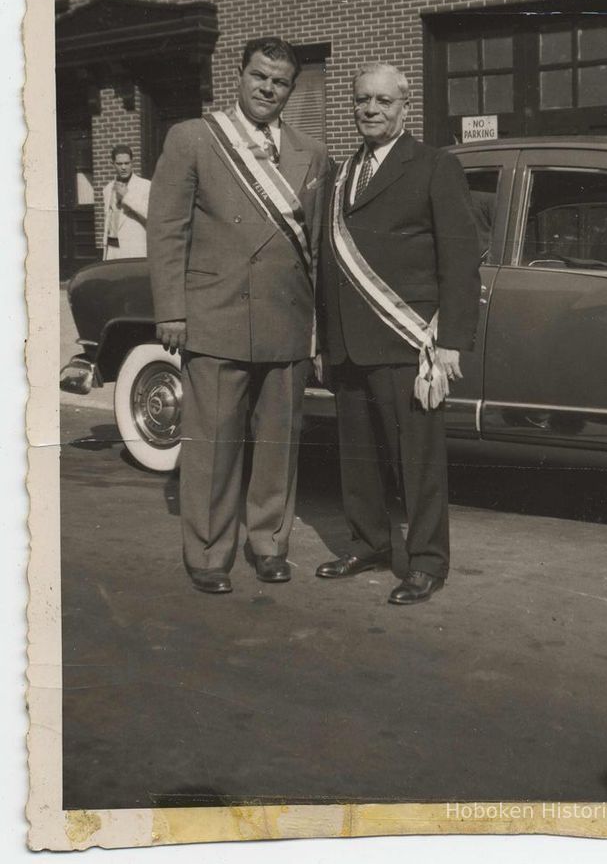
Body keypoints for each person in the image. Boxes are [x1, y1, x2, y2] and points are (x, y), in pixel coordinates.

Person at [147, 37, 329, 595]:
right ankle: (207, 551)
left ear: (290, 92)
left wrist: (316, 329)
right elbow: (167, 229)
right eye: (259, 76)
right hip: (216, 315)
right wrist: (172, 311)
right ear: (240, 75)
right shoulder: (193, 138)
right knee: (214, 444)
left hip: (286, 320)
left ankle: (268, 542)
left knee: (278, 444)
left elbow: (315, 248)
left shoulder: (311, 153)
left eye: (279, 82)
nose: (267, 89)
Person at [315, 63, 481, 605]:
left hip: (407, 342)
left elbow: (460, 258)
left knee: (419, 461)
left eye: (383, 101)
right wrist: (323, 339)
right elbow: (326, 262)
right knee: (357, 456)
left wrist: (452, 338)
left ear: (405, 108)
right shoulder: (341, 174)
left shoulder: (434, 165)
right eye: (362, 99)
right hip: (347, 341)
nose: (371, 109)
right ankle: (368, 543)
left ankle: (428, 561)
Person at [102, 145, 151, 260]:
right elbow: (108, 223)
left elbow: (151, 215)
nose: (123, 167)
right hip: (113, 250)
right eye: (119, 164)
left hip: (135, 249)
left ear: (132, 163)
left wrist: (127, 196)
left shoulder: (145, 186)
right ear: (113, 164)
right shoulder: (108, 189)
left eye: (127, 163)